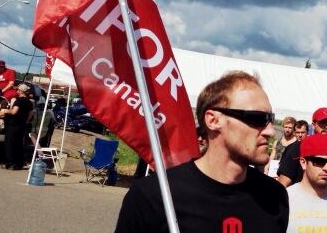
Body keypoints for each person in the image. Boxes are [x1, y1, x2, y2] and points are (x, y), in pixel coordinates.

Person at [116, 71, 289, 232]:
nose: (271, 131)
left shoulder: (275, 197)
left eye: (270, 120)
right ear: (213, 120)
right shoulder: (153, 196)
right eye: (258, 118)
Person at [277, 107, 327, 206]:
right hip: (301, 209)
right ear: (313, 125)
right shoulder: (297, 148)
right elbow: (283, 183)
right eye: (323, 123)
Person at [2, 84, 33, 170]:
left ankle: (9, 162)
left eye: (18, 90)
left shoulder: (18, 100)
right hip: (22, 124)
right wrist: (26, 120)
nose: (17, 91)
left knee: (10, 143)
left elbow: (14, 112)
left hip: (13, 124)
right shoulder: (29, 102)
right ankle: (18, 163)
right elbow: (31, 114)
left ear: (21, 91)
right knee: (19, 144)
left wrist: (6, 110)